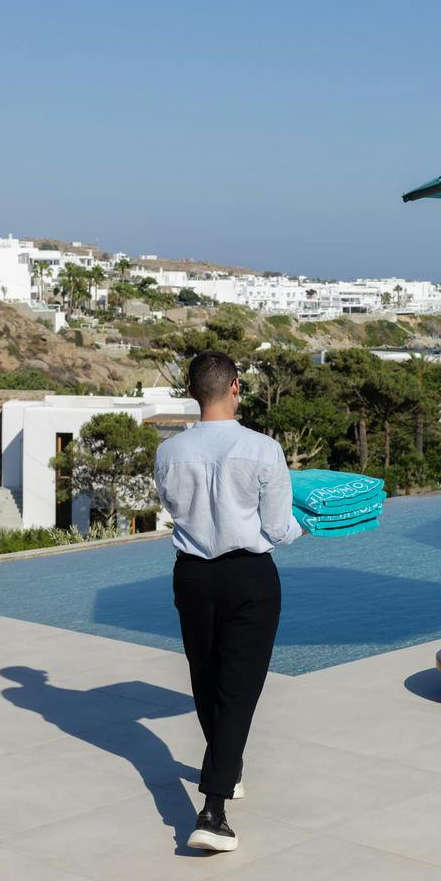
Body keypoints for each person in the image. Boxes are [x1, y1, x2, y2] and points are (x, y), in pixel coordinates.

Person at [152, 350, 305, 852]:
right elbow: (280, 529)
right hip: (248, 576)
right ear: (236, 387)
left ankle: (228, 769)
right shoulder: (263, 449)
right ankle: (213, 810)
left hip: (192, 576)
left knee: (206, 677)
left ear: (193, 391)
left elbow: (175, 509)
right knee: (238, 688)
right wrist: (308, 524)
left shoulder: (169, 453)